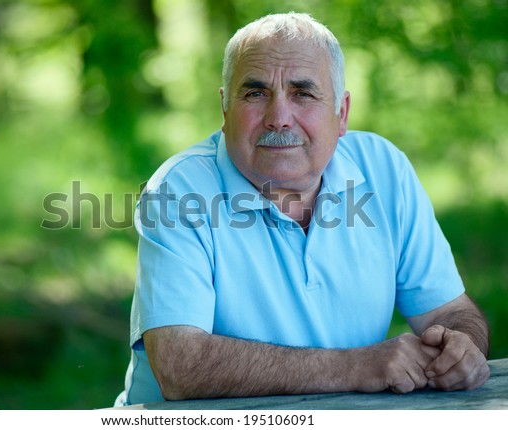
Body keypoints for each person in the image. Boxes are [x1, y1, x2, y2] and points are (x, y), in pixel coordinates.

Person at [115, 12, 489, 406]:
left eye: (303, 94)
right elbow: (180, 366)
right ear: (225, 109)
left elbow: (448, 311)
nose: (279, 118)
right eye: (255, 93)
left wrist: (462, 345)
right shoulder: (178, 190)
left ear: (341, 113)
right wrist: (358, 367)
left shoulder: (384, 168)